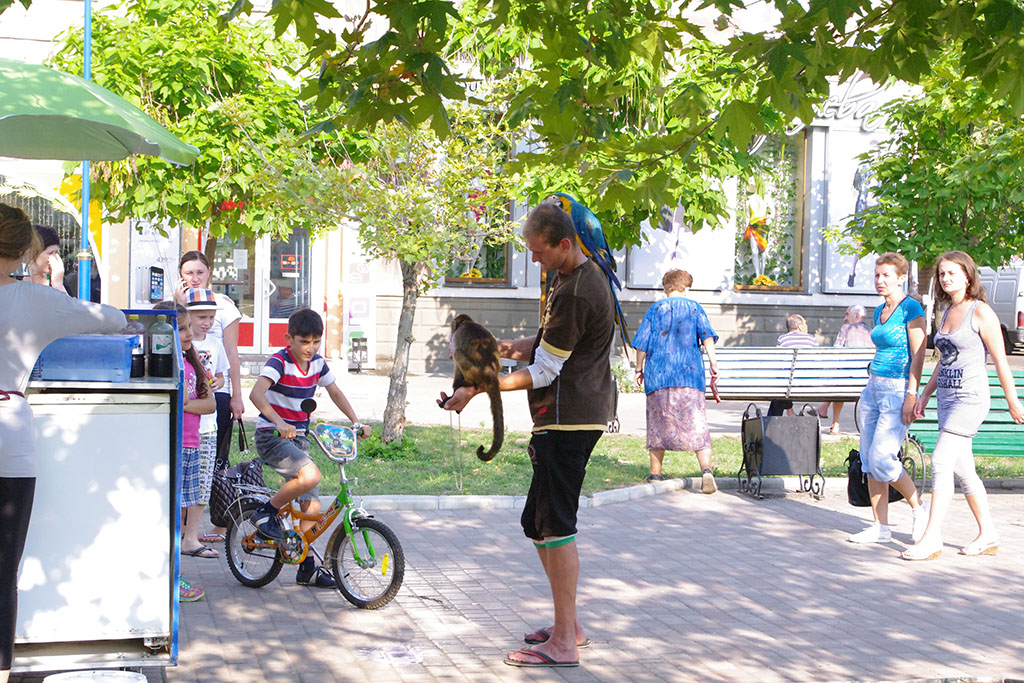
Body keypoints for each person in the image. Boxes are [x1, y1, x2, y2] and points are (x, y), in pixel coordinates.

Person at [439, 196, 615, 669]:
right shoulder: (566, 278)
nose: (533, 259)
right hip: (560, 417)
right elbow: (544, 345)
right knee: (535, 524)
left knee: (557, 527)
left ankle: (563, 644)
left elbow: (545, 371)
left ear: (564, 243)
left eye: (538, 252)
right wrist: (495, 348)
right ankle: (568, 625)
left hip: (570, 416)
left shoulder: (580, 289)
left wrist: (478, 387)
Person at [0, 203, 127, 683]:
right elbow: (112, 319)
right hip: (10, 432)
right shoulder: (36, 300)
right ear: (20, 251)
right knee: (2, 569)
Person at [903, 252, 1024, 560]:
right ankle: (988, 534)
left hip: (970, 399)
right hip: (946, 399)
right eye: (942, 274)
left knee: (942, 460)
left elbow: (1000, 361)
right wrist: (926, 394)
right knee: (963, 468)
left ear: (968, 276)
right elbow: (943, 361)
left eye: (952, 273)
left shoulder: (980, 312)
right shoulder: (947, 311)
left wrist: (1013, 402)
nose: (945, 278)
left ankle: (932, 539)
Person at [248, 308, 371, 587]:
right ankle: (265, 512)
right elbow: (256, 393)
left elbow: (335, 392)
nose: (310, 348)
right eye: (304, 341)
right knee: (312, 476)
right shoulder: (278, 362)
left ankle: (307, 568)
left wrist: (356, 422)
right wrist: (279, 422)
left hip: (298, 439)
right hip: (272, 437)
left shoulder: (318, 363)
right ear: (289, 338)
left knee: (313, 507)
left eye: (316, 341)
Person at [848, 252, 928, 545]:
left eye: (886, 276)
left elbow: (919, 353)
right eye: (877, 275)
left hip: (897, 390)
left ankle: (919, 507)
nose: (880, 281)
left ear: (900, 278)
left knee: (883, 457)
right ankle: (880, 527)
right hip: (873, 389)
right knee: (869, 460)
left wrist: (911, 393)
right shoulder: (879, 309)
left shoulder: (911, 308)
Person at [173, 251, 244, 542]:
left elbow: (229, 356)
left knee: (211, 467)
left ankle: (214, 525)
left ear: (209, 273)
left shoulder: (224, 306)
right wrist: (178, 304)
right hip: (186, 413)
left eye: (199, 272)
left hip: (212, 404)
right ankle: (180, 535)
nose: (194, 278)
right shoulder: (176, 307)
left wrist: (236, 395)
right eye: (188, 272)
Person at [630, 269, 719, 492]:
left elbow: (642, 343)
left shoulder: (655, 309)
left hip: (658, 376)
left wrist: (639, 368)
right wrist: (714, 363)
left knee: (658, 423)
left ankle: (655, 474)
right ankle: (706, 470)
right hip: (690, 375)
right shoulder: (695, 308)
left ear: (666, 288)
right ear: (686, 288)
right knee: (697, 422)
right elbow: (707, 337)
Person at [153, 301, 217, 597]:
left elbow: (209, 404)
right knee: (166, 518)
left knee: (178, 517)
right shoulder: (163, 364)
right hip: (170, 445)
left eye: (189, 327)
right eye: (181, 328)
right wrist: (190, 404)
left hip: (190, 445)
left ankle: (172, 578)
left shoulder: (192, 363)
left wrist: (189, 404)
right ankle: (165, 579)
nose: (189, 333)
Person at [184, 289, 228, 550]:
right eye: (201, 316)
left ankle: (191, 537)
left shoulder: (215, 343)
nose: (207, 323)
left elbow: (221, 377)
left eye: (211, 317)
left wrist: (215, 382)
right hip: (187, 424)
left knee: (202, 485)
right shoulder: (183, 343)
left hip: (207, 427)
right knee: (182, 485)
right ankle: (179, 535)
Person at [817, 305, 873, 434]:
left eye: (847, 314)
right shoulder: (871, 332)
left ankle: (835, 423)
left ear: (857, 316)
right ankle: (824, 408)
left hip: (847, 380)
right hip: (866, 380)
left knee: (839, 379)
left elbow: (836, 353)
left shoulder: (845, 329)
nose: (844, 318)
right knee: (840, 377)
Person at [768, 314, 817, 417]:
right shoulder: (811, 339)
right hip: (809, 382)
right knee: (786, 384)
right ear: (800, 326)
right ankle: (790, 412)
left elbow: (778, 363)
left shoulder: (782, 339)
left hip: (788, 382)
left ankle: (772, 423)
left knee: (783, 386)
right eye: (805, 324)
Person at [25, 225, 66, 293]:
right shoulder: (16, 283)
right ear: (32, 252)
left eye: (56, 252)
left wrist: (58, 285)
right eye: (50, 253)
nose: (54, 257)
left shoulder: (58, 281)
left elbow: (68, 303)